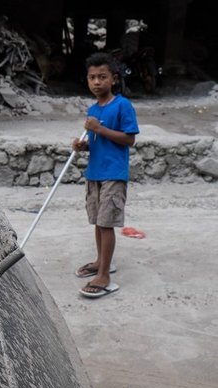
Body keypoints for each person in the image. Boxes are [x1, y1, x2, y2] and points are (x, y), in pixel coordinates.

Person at [72, 52, 140, 299]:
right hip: (95, 173)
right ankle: (102, 261)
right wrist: (84, 145)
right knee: (97, 221)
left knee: (106, 223)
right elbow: (98, 141)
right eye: (92, 77)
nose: (97, 82)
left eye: (102, 77)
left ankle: (105, 276)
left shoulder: (122, 105)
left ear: (114, 79)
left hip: (113, 173)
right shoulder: (92, 108)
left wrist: (99, 128)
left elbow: (129, 139)